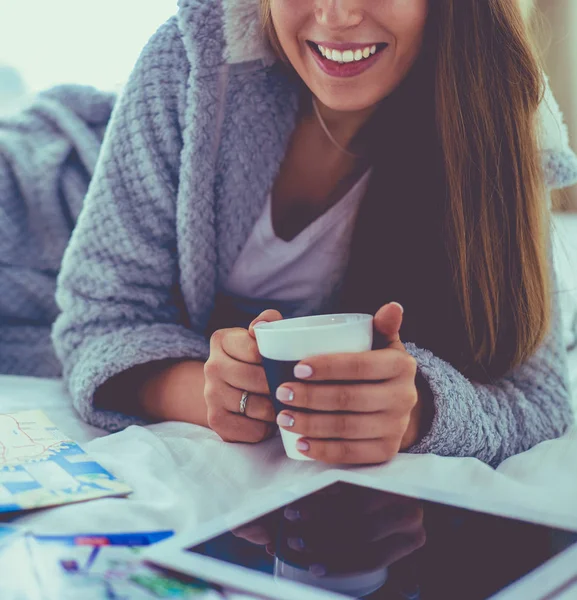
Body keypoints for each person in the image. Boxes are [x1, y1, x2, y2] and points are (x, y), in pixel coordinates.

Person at [52, 0, 577, 467]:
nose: (337, 15)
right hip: (50, 203)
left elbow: (541, 395)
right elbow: (97, 318)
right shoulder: (194, 58)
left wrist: (418, 414)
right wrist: (211, 392)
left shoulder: (503, 109)